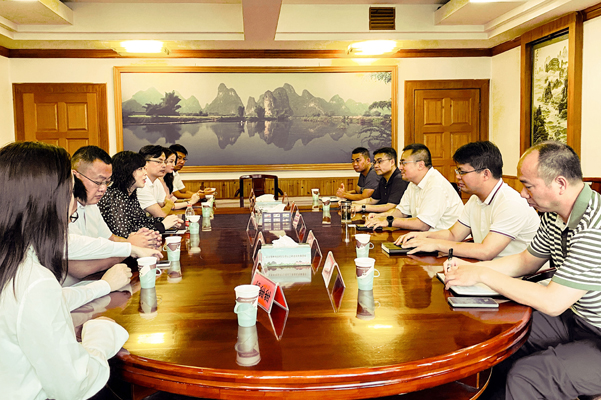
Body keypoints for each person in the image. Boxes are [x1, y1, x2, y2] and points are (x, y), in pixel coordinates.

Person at [445, 141, 601, 400]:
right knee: (497, 338)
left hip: (595, 333)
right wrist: (471, 270)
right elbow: (527, 260)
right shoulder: (553, 214)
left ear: (560, 184)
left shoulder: (594, 228)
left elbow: (552, 302)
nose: (522, 193)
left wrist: (483, 274)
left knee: (527, 376)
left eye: (528, 185)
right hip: (575, 318)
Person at [0, 141, 131, 399]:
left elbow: (54, 300)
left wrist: (103, 286)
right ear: (46, 203)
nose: (73, 205)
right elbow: (75, 386)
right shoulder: (33, 280)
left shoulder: (14, 265)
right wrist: (101, 337)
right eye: (70, 193)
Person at [397, 141, 540, 260]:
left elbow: (486, 251)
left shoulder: (510, 202)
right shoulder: (474, 199)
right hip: (488, 269)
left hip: (518, 278)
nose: (458, 176)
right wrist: (423, 236)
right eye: (458, 171)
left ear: (485, 174)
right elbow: (453, 235)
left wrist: (437, 245)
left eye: (462, 171)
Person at [67, 146, 162, 285]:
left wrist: (142, 243)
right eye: (98, 182)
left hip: (95, 282)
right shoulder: (63, 208)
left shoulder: (92, 205)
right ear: (75, 176)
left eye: (107, 182)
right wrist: (131, 249)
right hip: (72, 288)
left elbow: (111, 238)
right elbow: (80, 268)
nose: (103, 188)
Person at [367, 143, 463, 231]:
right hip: (425, 237)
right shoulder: (413, 183)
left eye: (403, 163)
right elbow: (401, 212)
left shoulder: (436, 185)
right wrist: (379, 216)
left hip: (445, 241)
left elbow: (423, 225)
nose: (400, 167)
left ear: (420, 165)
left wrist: (389, 221)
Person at [98, 151, 182, 238]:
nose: (145, 173)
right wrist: (162, 225)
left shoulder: (131, 194)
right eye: (140, 169)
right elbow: (123, 234)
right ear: (127, 171)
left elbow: (142, 222)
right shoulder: (114, 196)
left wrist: (166, 221)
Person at [138, 145, 200, 218]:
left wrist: (168, 204)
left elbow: (163, 204)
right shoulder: (141, 184)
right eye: (159, 162)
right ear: (145, 163)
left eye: (164, 162)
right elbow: (160, 214)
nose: (164, 165)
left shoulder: (157, 182)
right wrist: (171, 204)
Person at [350, 147, 408, 214]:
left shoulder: (400, 179)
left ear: (392, 162)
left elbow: (391, 206)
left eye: (380, 161)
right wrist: (350, 203)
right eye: (375, 162)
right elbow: (372, 200)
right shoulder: (383, 179)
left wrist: (362, 207)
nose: (376, 166)